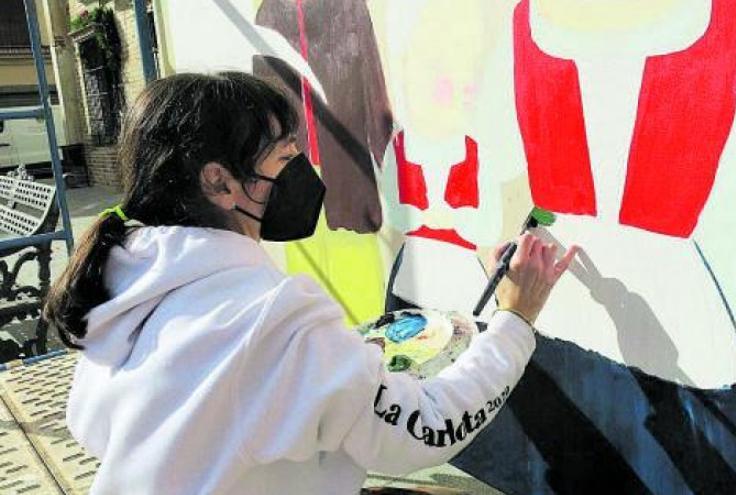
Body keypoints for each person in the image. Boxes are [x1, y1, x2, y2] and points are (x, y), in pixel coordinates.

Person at [43, 72, 577, 494]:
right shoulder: (273, 318)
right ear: (219, 181)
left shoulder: (123, 289)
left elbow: (96, 423)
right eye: (286, 157)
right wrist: (515, 318)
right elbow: (427, 428)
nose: (306, 174)